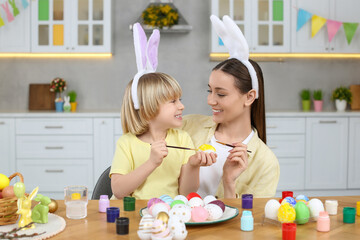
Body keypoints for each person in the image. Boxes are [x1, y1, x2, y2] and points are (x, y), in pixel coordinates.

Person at [110, 23, 216, 199]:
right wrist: (152, 162)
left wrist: (193, 165)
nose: (181, 106)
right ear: (146, 107)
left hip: (172, 214)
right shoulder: (126, 143)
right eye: (173, 101)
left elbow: (187, 193)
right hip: (137, 217)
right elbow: (119, 191)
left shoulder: (182, 139)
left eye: (180, 100)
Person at [181, 15, 279, 198]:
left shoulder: (265, 162)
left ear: (249, 97)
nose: (211, 101)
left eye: (221, 94)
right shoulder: (188, 126)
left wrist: (229, 183)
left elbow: (255, 223)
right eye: (209, 91)